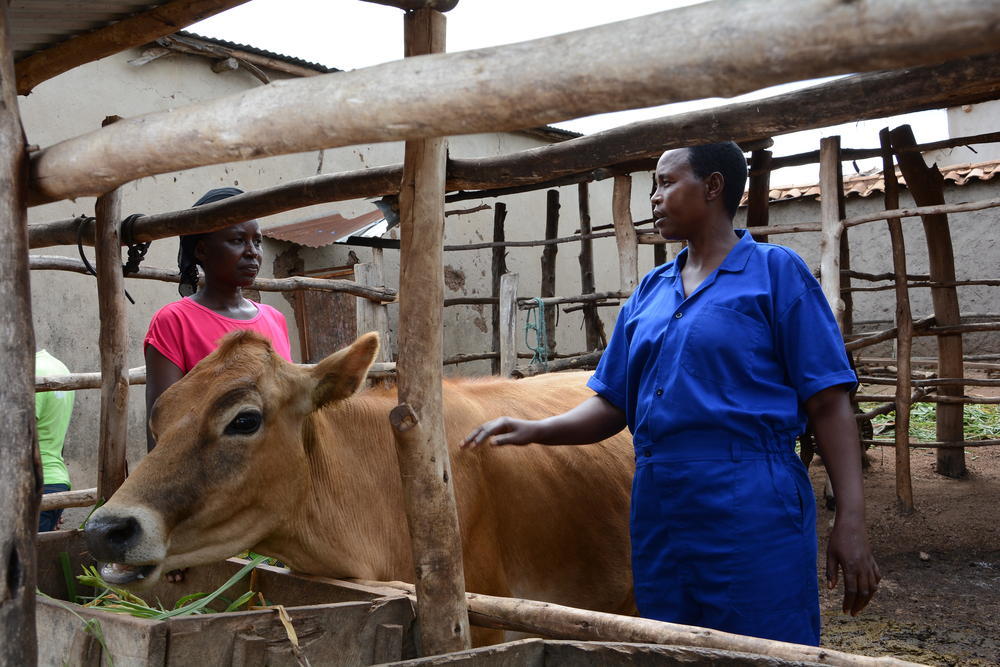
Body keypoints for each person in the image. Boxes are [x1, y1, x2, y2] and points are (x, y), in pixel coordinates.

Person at [462, 142, 880, 646]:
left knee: (764, 646)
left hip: (750, 497)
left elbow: (828, 403)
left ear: (713, 186)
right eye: (653, 186)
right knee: (666, 644)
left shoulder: (775, 273)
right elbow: (612, 403)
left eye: (666, 182)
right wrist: (532, 428)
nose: (654, 198)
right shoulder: (651, 290)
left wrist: (850, 521)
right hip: (659, 502)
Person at [144, 187, 292, 452]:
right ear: (202, 250)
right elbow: (161, 423)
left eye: (256, 241)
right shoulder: (174, 321)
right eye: (237, 240)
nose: (252, 252)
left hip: (275, 474)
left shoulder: (275, 319)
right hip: (209, 477)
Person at [36, 349, 75, 532]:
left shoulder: (30, 373)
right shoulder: (58, 367)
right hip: (55, 481)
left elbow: (18, 434)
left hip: (32, 485)